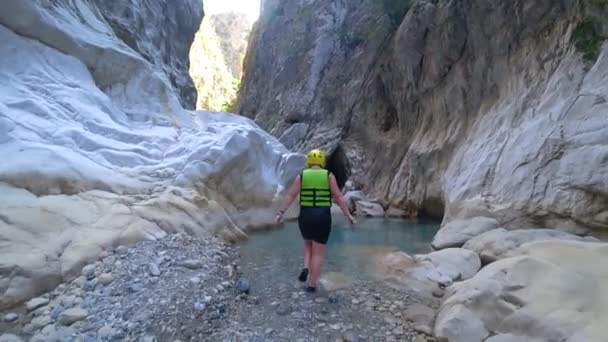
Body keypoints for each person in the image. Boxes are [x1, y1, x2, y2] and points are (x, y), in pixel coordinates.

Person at [275, 149, 356, 292]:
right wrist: (348, 215)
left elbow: (290, 196)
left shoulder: (302, 176)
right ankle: (312, 285)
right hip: (322, 216)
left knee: (308, 243)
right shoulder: (328, 176)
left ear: (309, 161)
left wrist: (281, 212)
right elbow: (338, 197)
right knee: (318, 252)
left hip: (305, 216)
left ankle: (306, 267)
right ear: (322, 162)